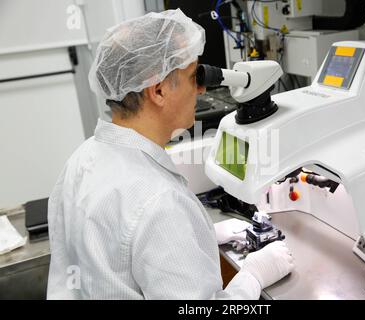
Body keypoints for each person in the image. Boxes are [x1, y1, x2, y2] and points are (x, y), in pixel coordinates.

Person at [47, 9, 294, 299]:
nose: (200, 90)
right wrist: (252, 276)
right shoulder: (159, 201)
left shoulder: (81, 159)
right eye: (192, 77)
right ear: (159, 90)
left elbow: (109, 254)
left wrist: (196, 238)